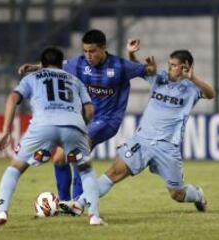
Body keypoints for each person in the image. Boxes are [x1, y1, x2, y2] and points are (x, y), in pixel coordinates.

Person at [59, 45, 216, 220]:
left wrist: (193, 78)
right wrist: (131, 54)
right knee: (113, 173)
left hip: (167, 147)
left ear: (185, 66)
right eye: (169, 64)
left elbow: (211, 94)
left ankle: (198, 195)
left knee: (177, 194)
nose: (169, 68)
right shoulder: (160, 78)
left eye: (174, 65)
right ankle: (79, 203)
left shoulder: (191, 88)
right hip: (142, 141)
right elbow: (139, 70)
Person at [19, 29, 156, 202]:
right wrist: (33, 67)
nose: (88, 55)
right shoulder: (79, 64)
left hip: (108, 120)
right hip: (84, 119)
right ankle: (64, 203)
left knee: (77, 152)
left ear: (103, 48)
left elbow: (148, 71)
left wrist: (138, 58)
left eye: (92, 51)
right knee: (59, 159)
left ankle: (78, 202)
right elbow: (56, 66)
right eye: (85, 51)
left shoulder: (120, 66)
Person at [0, 46, 105, 228]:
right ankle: (94, 216)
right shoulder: (75, 80)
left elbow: (12, 99)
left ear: (43, 63)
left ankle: (1, 212)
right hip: (73, 125)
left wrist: (6, 130)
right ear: (61, 64)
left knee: (15, 168)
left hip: (43, 126)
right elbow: (89, 110)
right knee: (86, 170)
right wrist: (81, 130)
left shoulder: (31, 78)